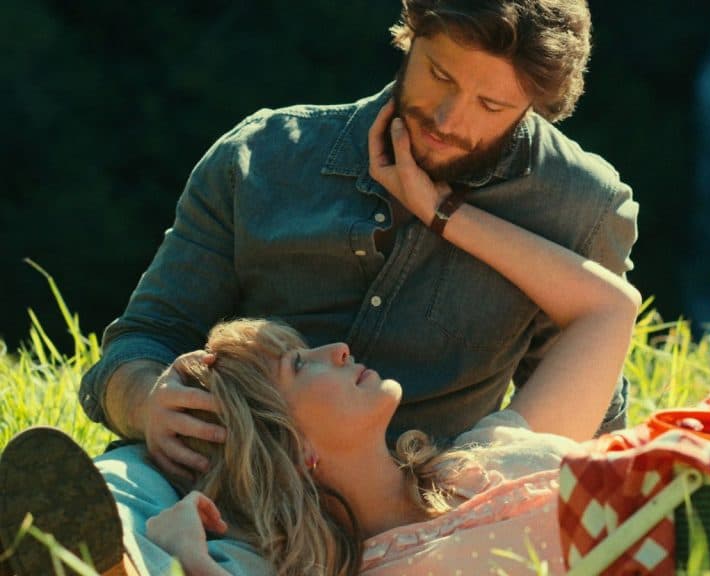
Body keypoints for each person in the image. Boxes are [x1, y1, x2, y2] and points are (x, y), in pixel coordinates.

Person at [0, 101, 639, 574]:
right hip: (688, 540)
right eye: (302, 366)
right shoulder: (373, 567)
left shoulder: (480, 454)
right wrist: (187, 546)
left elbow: (610, 309)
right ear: (293, 444)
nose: (339, 349)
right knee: (134, 472)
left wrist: (441, 211)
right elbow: (142, 338)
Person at [79, 0, 637, 483]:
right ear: (411, 36)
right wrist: (147, 402)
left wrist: (445, 214)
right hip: (215, 478)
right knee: (117, 492)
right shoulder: (260, 158)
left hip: (414, 518)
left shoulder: (582, 208)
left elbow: (576, 414)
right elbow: (144, 340)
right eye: (439, 75)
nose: (448, 118)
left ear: (534, 107)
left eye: (490, 107)